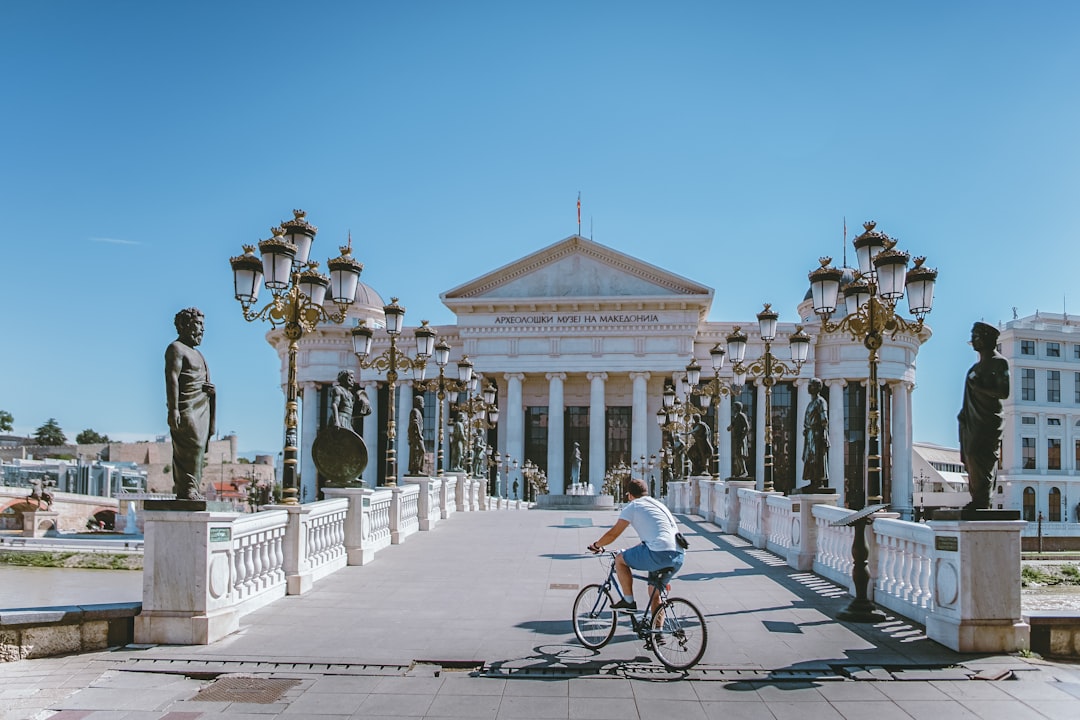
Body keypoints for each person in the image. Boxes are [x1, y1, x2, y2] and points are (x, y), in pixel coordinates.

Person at [587, 478, 685, 614]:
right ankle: (658, 632)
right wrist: (629, 551)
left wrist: (597, 545)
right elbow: (653, 539)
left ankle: (628, 602)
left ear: (630, 495)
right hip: (678, 555)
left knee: (620, 560)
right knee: (654, 593)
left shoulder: (633, 506)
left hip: (658, 554)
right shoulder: (659, 505)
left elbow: (613, 534)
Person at [958, 321, 1010, 511]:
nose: (972, 340)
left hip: (989, 420)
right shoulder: (973, 369)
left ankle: (982, 501)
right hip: (971, 421)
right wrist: (963, 416)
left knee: (983, 457)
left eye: (976, 336)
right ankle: (977, 499)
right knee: (971, 456)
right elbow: (967, 398)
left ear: (988, 339)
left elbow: (1004, 392)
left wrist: (979, 387)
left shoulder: (999, 362)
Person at [166, 307, 214, 501]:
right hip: (186, 406)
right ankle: (185, 489)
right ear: (185, 325)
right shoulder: (176, 348)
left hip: (202, 406)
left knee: (200, 447)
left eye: (203, 325)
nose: (202, 329)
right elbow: (172, 378)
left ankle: (192, 488)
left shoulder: (199, 354)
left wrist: (212, 391)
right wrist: (174, 408)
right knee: (191, 445)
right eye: (198, 324)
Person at [799, 378, 830, 492]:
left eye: (810, 385)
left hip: (817, 434)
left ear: (817, 388)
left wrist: (824, 435)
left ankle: (818, 481)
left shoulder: (820, 401)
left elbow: (824, 419)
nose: (808, 387)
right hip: (810, 434)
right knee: (809, 458)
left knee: (816, 458)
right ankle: (812, 481)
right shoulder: (811, 403)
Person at [728, 401, 750, 478]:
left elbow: (747, 427)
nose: (733, 408)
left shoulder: (741, 415)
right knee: (737, 455)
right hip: (737, 438)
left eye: (734, 407)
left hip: (740, 438)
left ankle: (744, 471)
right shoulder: (736, 416)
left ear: (737, 407)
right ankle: (739, 471)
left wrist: (742, 437)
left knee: (739, 455)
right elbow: (733, 424)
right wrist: (730, 427)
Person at [407, 394, 425, 476]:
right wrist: (419, 434)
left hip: (416, 436)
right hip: (416, 436)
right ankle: (416, 469)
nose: (423, 403)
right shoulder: (415, 411)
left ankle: (416, 469)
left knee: (417, 451)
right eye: (422, 402)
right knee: (419, 451)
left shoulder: (417, 412)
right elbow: (415, 423)